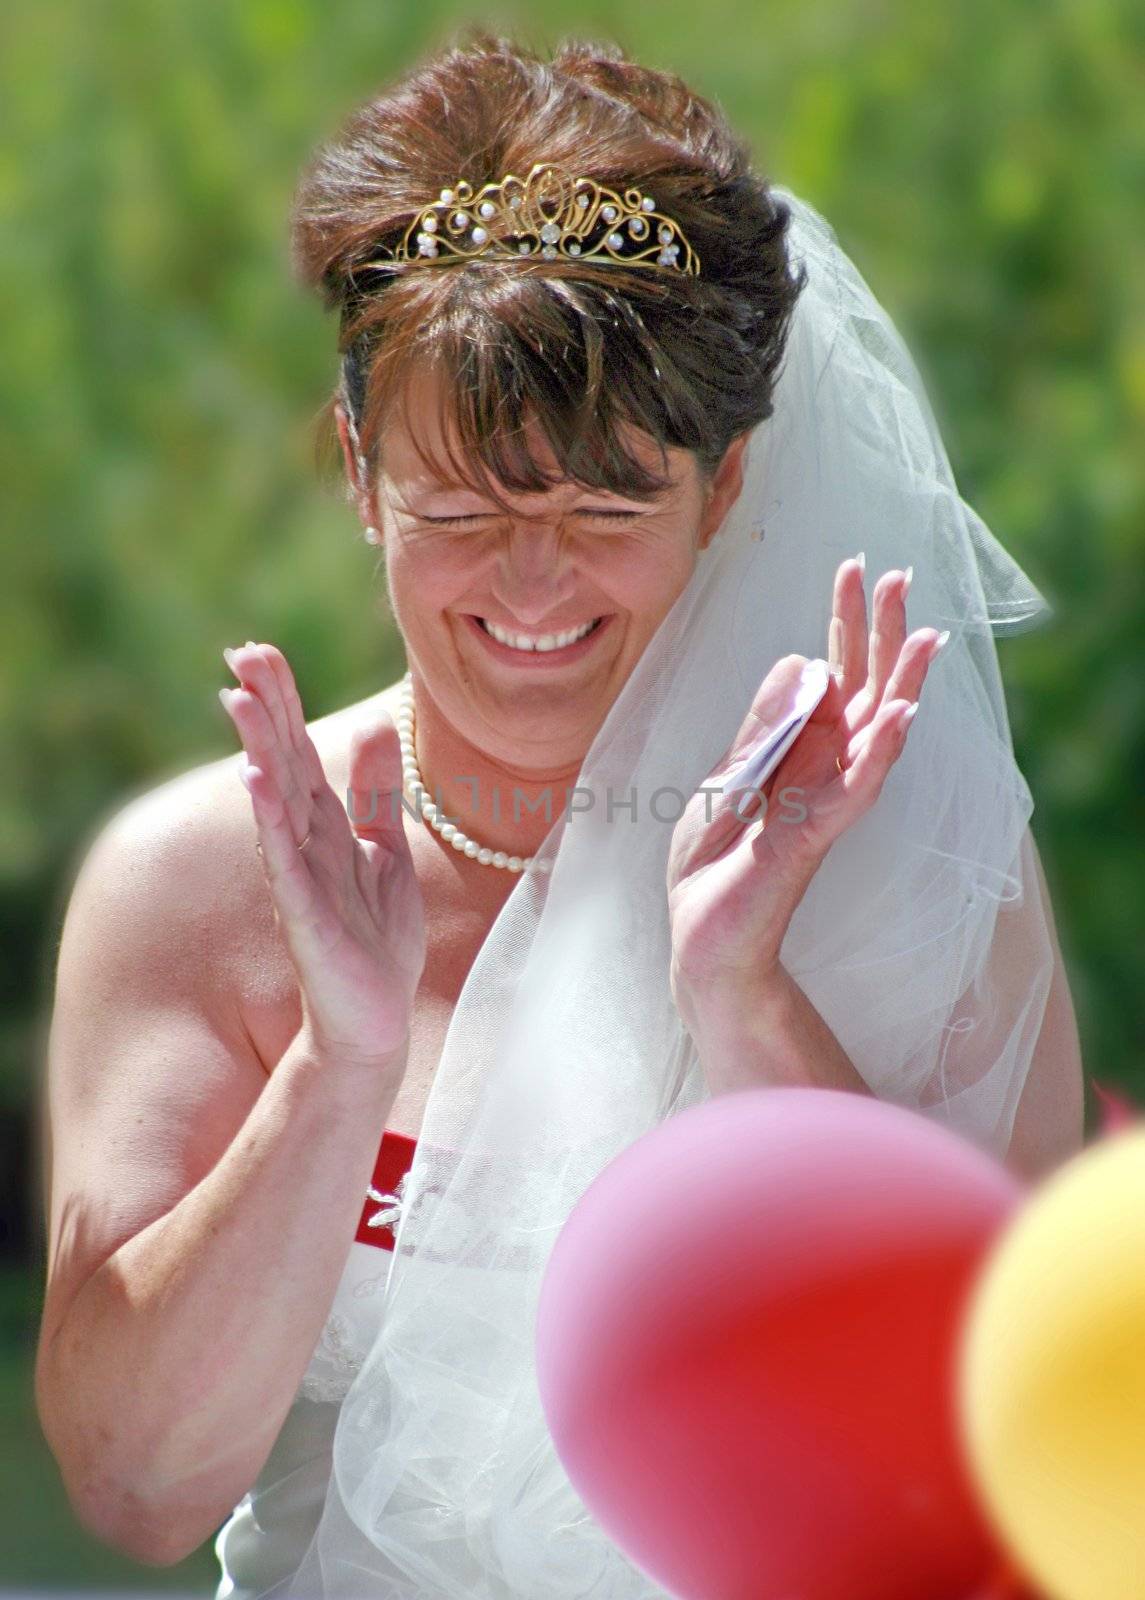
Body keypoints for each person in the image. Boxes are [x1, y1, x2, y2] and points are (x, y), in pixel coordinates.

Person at [34, 27, 1084, 1599]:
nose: (531, 585)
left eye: (607, 508)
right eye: (462, 508)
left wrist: (740, 993)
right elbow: (134, 1492)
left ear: (720, 495)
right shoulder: (199, 877)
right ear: (359, 473)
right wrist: (339, 1063)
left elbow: (990, 1461)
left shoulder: (924, 867)